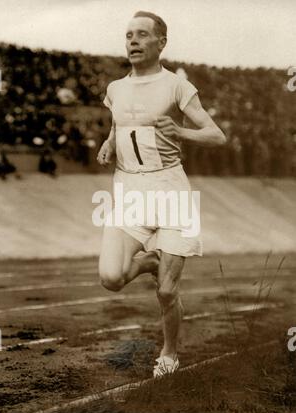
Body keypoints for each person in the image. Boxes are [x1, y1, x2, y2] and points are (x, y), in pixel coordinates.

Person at [97, 11, 226, 378]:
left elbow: (217, 135)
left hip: (169, 189)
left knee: (167, 292)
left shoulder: (176, 87)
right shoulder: (115, 88)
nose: (133, 41)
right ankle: (152, 261)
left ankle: (169, 353)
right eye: (128, 35)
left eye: (141, 35)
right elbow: (118, 124)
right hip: (129, 190)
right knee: (110, 277)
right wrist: (109, 145)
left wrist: (181, 132)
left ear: (161, 43)